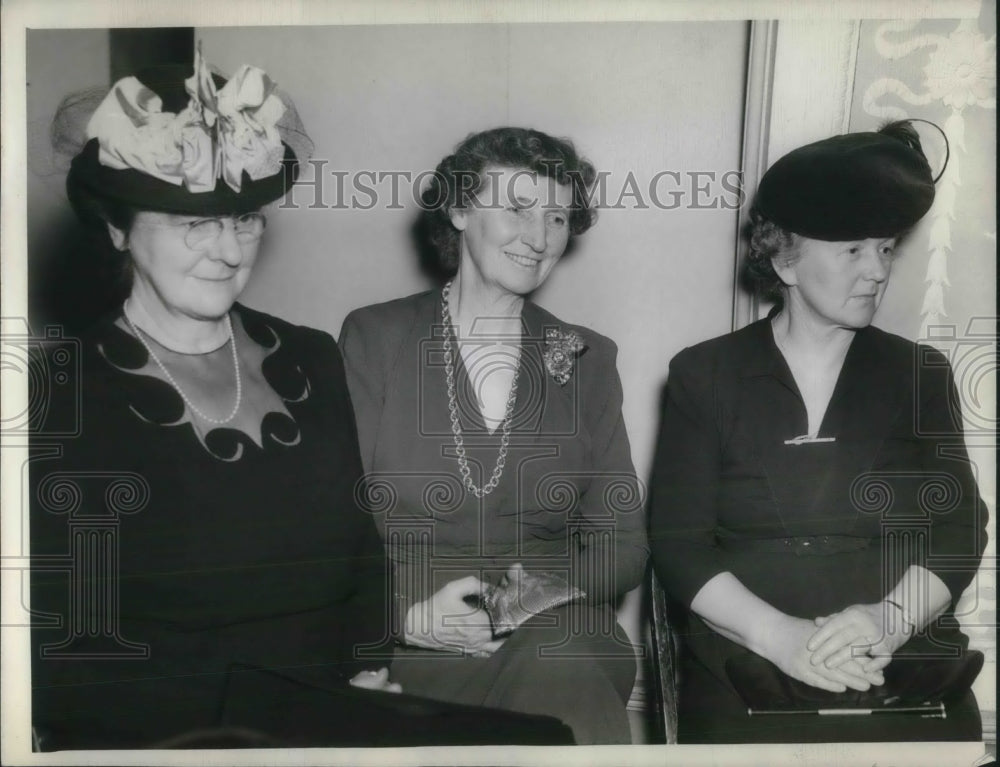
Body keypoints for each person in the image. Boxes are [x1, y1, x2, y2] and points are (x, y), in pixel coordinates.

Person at [29, 49, 413, 750]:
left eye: (244, 220)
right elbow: (64, 657)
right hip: (174, 737)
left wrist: (365, 675)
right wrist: (288, 712)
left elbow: (362, 557)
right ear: (117, 227)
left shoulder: (312, 355)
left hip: (339, 717)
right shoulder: (58, 393)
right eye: (188, 222)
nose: (227, 250)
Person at [648, 120, 989, 743]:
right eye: (852, 250)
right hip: (747, 651)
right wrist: (782, 638)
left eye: (885, 248)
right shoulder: (704, 374)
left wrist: (889, 621)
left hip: (899, 650)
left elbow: (959, 526)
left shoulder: (919, 374)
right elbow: (677, 541)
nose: (876, 271)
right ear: (784, 257)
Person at [339, 127, 648, 744]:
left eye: (557, 217)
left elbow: (623, 542)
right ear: (458, 210)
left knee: (557, 666)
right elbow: (330, 524)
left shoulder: (584, 356)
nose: (539, 237)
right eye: (517, 208)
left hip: (557, 621)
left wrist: (522, 602)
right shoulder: (377, 338)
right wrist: (410, 617)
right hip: (409, 626)